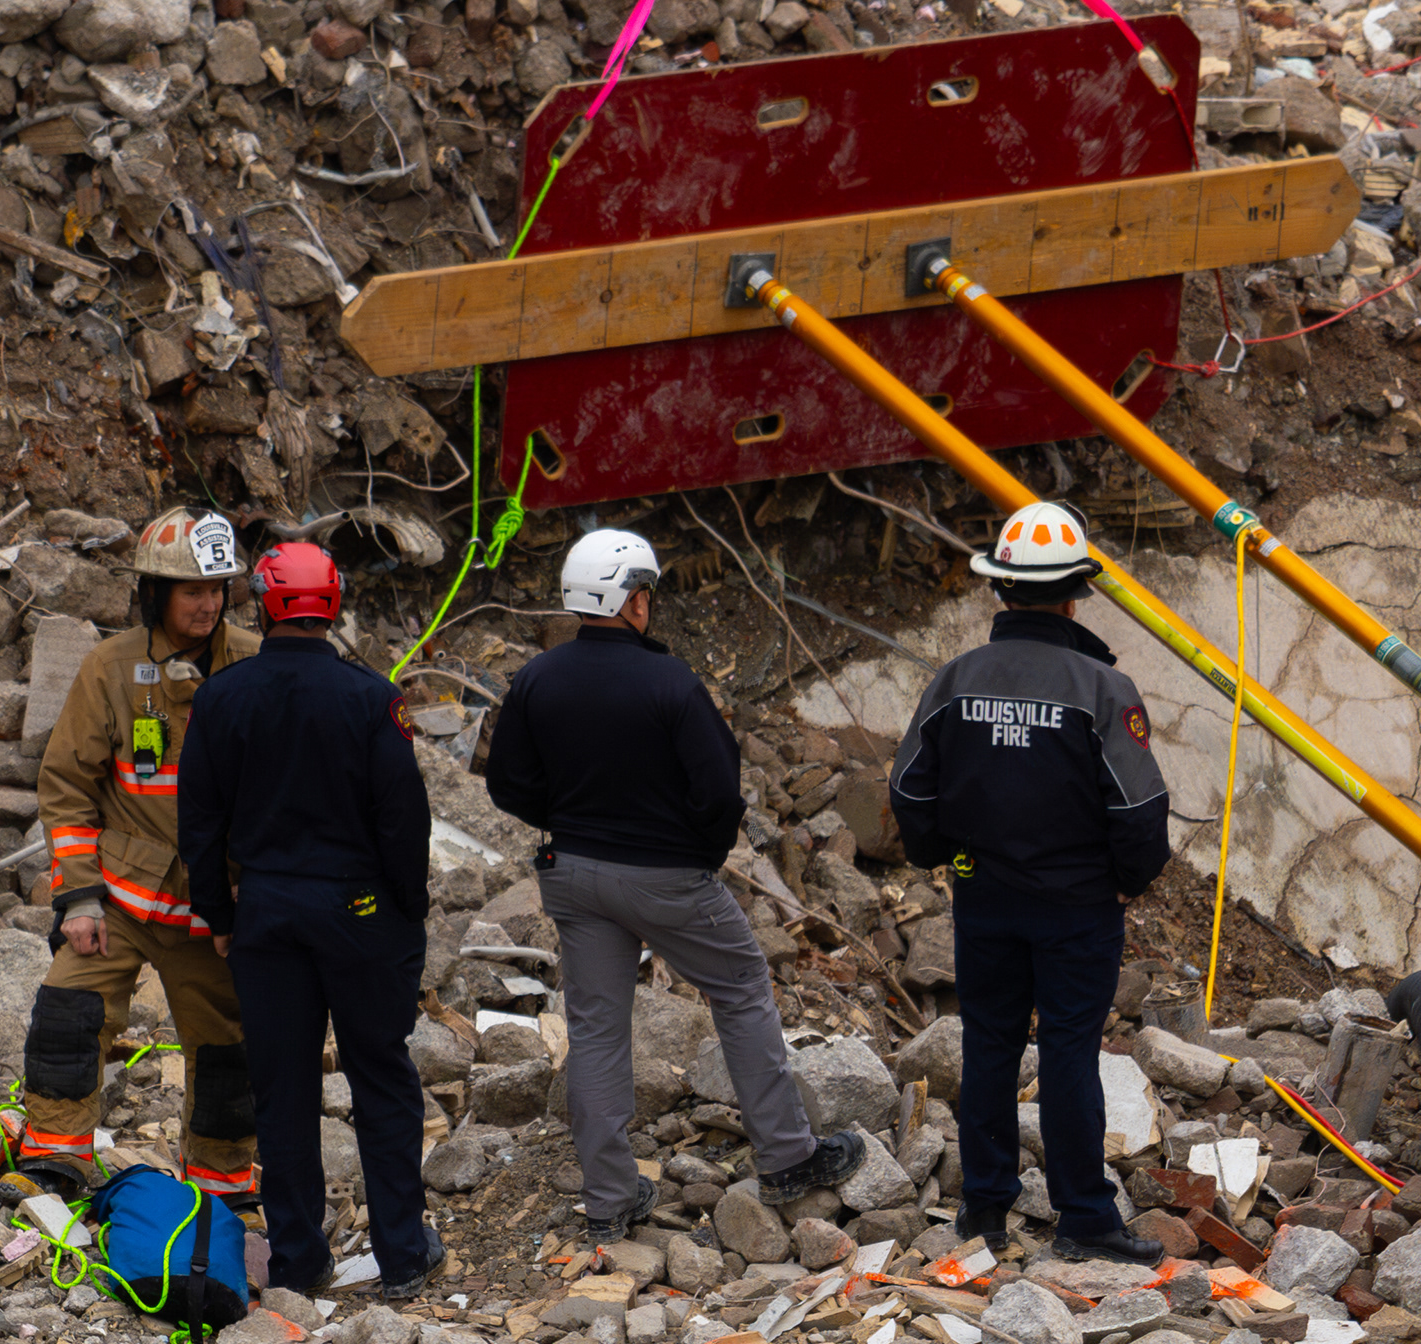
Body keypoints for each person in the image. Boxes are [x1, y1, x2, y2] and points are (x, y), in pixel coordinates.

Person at [482, 526, 871, 1249]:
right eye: (646, 593)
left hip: (571, 873)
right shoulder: (669, 682)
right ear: (631, 600)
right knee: (742, 985)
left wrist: (564, 819)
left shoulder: (537, 679)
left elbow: (506, 781)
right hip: (665, 875)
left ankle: (608, 1199)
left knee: (597, 1027)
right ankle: (787, 1157)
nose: (648, 604)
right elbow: (720, 790)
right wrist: (697, 852)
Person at [887, 500, 1175, 1264]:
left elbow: (911, 791)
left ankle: (983, 1210)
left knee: (989, 1047)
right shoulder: (1103, 689)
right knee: (1071, 1054)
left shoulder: (954, 681)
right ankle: (1085, 1216)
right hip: (1079, 906)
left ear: (1000, 591)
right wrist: (1121, 881)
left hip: (984, 900)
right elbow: (1142, 811)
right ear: (1076, 592)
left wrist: (941, 854)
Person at [177, 542, 444, 1300]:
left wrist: (220, 914)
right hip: (359, 910)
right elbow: (404, 819)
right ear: (333, 604)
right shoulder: (370, 698)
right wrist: (406, 910)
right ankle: (402, 1256)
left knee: (283, 1088)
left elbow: (198, 822)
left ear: (262, 603)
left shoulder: (222, 697)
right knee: (381, 1077)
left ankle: (298, 1259)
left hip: (265, 912)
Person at [9, 508, 257, 1204]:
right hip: (119, 900)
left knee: (226, 1053)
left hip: (214, 912)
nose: (207, 604)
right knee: (67, 1016)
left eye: (217, 589)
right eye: (191, 591)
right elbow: (65, 788)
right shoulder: (112, 669)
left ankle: (222, 1185)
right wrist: (79, 896)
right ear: (154, 593)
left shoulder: (256, 665)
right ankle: (55, 1157)